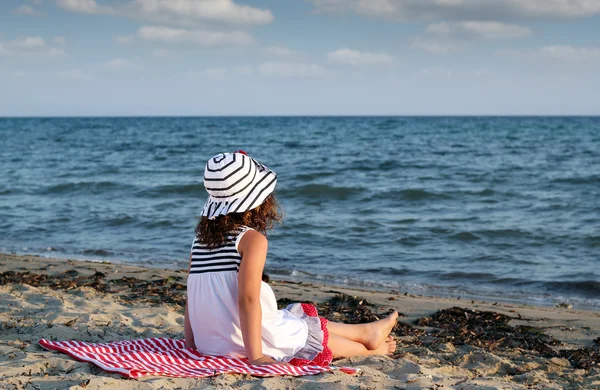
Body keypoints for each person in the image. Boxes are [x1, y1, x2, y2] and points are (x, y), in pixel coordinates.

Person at [184, 151, 398, 367]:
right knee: (311, 338)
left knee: (297, 321)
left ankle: (366, 331)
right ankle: (372, 350)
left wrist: (192, 346)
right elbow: (247, 300)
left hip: (211, 343)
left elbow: (192, 297)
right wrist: (255, 356)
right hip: (247, 342)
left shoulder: (199, 241)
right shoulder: (250, 240)